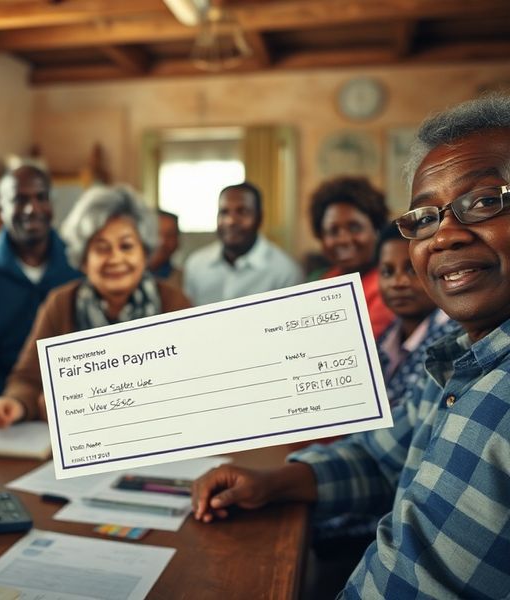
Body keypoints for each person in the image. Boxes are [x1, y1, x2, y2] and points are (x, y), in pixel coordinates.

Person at [191, 93, 510, 598]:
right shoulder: (458, 353)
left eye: (486, 201)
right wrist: (273, 482)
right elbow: (386, 455)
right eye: (425, 218)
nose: (445, 235)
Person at [0, 185, 192, 427]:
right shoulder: (61, 302)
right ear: (83, 259)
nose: (115, 258)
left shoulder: (174, 302)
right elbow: (28, 378)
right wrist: (15, 404)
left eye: (126, 246)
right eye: (101, 248)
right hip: (82, 447)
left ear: (144, 254)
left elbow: (192, 379)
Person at [0, 163, 81, 417]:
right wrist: (13, 398)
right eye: (19, 200)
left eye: (41, 197)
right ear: (0, 209)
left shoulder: (78, 262)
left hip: (76, 407)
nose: (32, 209)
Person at [375, 224, 460, 407]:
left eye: (411, 270)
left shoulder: (454, 339)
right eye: (387, 272)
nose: (398, 283)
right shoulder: (386, 336)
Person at [183, 182, 302, 306]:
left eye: (242, 212)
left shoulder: (285, 272)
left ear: (259, 218)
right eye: (224, 212)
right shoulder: (196, 265)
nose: (231, 221)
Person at [308, 176, 394, 338]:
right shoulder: (326, 279)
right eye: (333, 231)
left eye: (354, 228)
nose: (343, 240)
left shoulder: (389, 284)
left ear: (376, 230)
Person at [149, 209, 183, 288]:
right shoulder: (125, 278)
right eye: (156, 234)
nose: (162, 242)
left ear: (177, 241)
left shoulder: (186, 280)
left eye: (169, 235)